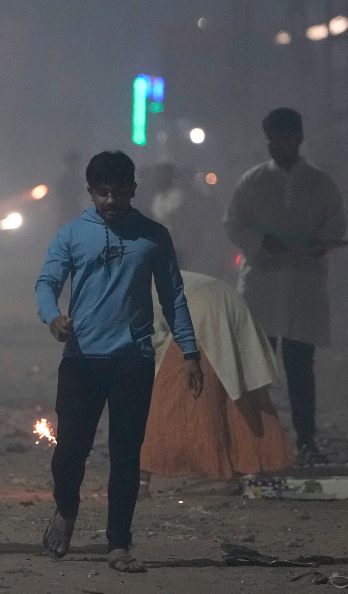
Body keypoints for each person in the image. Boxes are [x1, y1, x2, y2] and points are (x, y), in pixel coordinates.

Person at [36, 150, 203, 573]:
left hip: (133, 359)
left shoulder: (152, 236)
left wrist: (189, 352)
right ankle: (67, 510)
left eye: (118, 192)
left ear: (133, 189)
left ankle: (119, 543)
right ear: (90, 191)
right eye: (102, 193)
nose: (110, 201)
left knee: (126, 453)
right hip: (81, 359)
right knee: (71, 450)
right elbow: (47, 282)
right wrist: (53, 316)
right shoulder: (72, 234)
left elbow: (173, 296)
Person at [224, 108, 346, 467]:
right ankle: (254, 441)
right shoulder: (253, 181)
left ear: (299, 138)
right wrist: (262, 242)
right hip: (263, 284)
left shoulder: (321, 183)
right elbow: (234, 224)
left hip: (303, 286)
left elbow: (335, 224)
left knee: (299, 367)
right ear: (269, 141)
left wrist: (321, 241)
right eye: (276, 139)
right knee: (257, 368)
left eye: (288, 138)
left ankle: (305, 440)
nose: (282, 145)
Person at [140, 271, 294, 491]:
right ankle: (249, 463)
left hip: (200, 313)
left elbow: (151, 340)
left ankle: (140, 476)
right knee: (233, 387)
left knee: (168, 397)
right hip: (226, 303)